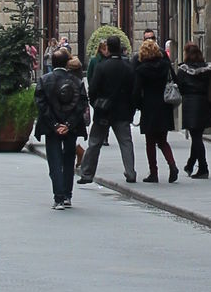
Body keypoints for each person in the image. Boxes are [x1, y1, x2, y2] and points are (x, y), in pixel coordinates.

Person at [34, 47, 89, 208]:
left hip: (52, 128)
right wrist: (69, 124)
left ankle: (58, 197)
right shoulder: (77, 81)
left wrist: (55, 124)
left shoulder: (44, 80)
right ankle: (67, 195)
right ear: (67, 62)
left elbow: (41, 105)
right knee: (68, 160)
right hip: (70, 128)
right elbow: (82, 105)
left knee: (55, 162)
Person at [78, 35, 137, 184]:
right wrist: (131, 109)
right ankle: (130, 173)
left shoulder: (102, 67)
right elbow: (134, 91)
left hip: (103, 111)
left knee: (95, 143)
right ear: (121, 48)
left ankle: (86, 174)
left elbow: (93, 89)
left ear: (109, 48)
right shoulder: (128, 67)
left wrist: (96, 105)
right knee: (126, 143)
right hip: (123, 111)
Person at [134, 36, 179, 182]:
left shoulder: (141, 69)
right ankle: (172, 165)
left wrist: (138, 105)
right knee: (163, 141)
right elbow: (175, 80)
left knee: (150, 142)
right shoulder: (165, 66)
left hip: (149, 106)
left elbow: (136, 90)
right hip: (164, 105)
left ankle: (154, 173)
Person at [176, 41, 211, 176]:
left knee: (196, 137)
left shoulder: (183, 70)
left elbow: (179, 87)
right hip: (204, 104)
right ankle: (190, 164)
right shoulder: (207, 71)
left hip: (190, 104)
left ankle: (203, 168)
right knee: (197, 136)